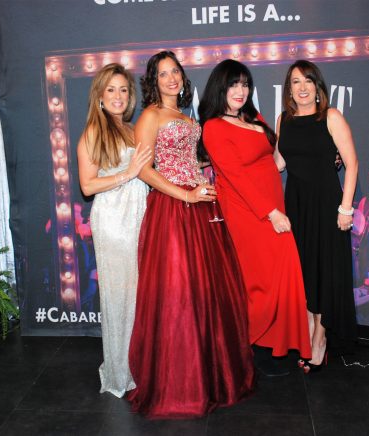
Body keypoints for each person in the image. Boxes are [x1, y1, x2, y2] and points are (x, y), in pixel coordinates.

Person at [127, 51, 255, 419]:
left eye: (175, 72)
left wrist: (208, 170)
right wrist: (185, 195)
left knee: (207, 291)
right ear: (154, 80)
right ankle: (181, 385)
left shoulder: (187, 117)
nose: (171, 78)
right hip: (172, 209)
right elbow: (144, 170)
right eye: (163, 73)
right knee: (178, 293)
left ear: (183, 77)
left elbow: (187, 159)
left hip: (201, 206)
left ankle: (213, 377)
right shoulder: (150, 116)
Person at [199, 59, 312, 376]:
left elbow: (275, 160)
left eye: (245, 84)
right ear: (220, 88)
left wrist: (316, 154)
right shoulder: (214, 127)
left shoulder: (254, 117)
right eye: (233, 84)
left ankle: (276, 345)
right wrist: (270, 213)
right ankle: (251, 344)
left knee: (279, 274)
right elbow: (236, 177)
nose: (240, 91)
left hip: (272, 204)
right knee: (260, 281)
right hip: (248, 211)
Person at [277, 60, 359, 373]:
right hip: (296, 206)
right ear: (289, 89)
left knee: (325, 271)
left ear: (317, 86)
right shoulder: (283, 120)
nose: (302, 88)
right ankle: (311, 331)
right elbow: (278, 162)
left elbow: (351, 163)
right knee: (305, 272)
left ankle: (319, 338)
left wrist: (346, 208)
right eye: (296, 82)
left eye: (308, 81)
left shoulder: (331, 116)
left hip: (327, 205)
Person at [76, 63, 151, 398]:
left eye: (123, 89)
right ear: (100, 96)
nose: (118, 96)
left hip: (139, 215)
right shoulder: (94, 131)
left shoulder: (132, 129)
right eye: (111, 90)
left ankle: (141, 365)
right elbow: (87, 185)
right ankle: (121, 372)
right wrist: (128, 173)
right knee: (120, 296)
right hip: (114, 221)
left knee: (140, 296)